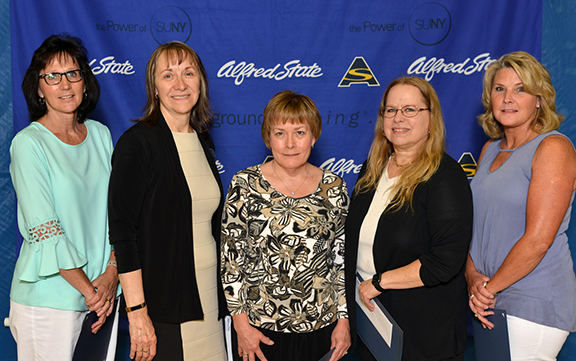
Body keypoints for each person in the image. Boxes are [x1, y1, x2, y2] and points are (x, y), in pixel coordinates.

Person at [108, 41, 228, 361]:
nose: (180, 84)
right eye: (168, 75)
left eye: (188, 73)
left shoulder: (202, 139)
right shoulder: (138, 144)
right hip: (164, 307)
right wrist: (137, 313)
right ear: (154, 87)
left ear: (200, 81)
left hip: (209, 302)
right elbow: (123, 234)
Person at [345, 77, 473, 361]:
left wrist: (379, 283)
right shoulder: (372, 170)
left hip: (424, 336)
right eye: (390, 110)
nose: (398, 118)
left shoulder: (445, 176)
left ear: (431, 118)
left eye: (410, 110)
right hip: (373, 325)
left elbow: (445, 261)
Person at [8, 34, 119, 360]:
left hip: (104, 295)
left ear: (85, 82)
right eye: (52, 77)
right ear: (39, 88)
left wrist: (111, 276)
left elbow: (118, 213)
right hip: (50, 302)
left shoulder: (101, 135)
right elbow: (46, 229)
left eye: (73, 73)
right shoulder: (29, 144)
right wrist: (91, 293)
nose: (65, 84)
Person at [220, 90, 351, 361]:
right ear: (268, 139)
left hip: (321, 329)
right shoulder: (244, 185)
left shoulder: (334, 188)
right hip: (259, 330)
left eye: (300, 133)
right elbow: (231, 261)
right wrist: (241, 325)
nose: (290, 143)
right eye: (280, 133)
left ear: (314, 136)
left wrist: (344, 321)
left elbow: (341, 261)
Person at [467, 51, 576, 359]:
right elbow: (476, 226)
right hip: (491, 298)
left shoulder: (553, 147)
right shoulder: (489, 149)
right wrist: (473, 278)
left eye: (521, 89)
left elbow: (539, 240)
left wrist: (488, 289)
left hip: (534, 300)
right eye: (500, 88)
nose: (508, 98)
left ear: (539, 99)